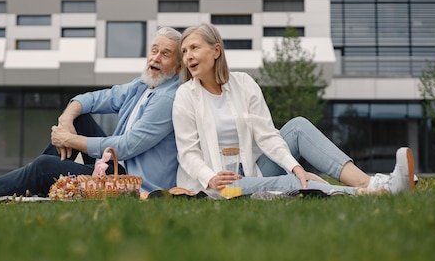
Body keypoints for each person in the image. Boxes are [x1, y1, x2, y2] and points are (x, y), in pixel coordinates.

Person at [0, 26, 183, 198]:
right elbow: (93, 98)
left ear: (178, 64)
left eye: (165, 54)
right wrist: (66, 119)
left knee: (44, 166)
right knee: (79, 117)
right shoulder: (144, 84)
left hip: (133, 184)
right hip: (114, 167)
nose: (155, 58)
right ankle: (29, 183)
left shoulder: (166, 97)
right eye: (154, 50)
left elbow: (127, 145)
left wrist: (68, 140)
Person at [172, 23, 415, 197]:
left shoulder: (244, 84)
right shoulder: (185, 96)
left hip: (254, 170)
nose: (188, 56)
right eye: (184, 52)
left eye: (194, 48)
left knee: (297, 127)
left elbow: (267, 135)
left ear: (216, 51)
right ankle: (367, 193)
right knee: (292, 182)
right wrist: (210, 178)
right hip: (220, 187)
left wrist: (295, 166)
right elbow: (188, 153)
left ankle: (371, 182)